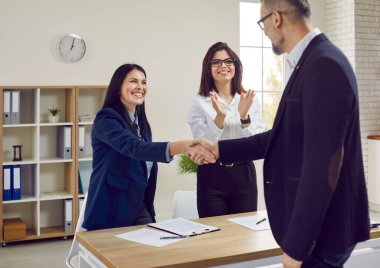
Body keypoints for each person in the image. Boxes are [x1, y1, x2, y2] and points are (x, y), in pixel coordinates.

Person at [193, 1, 370, 267]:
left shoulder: (322, 64)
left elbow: (323, 164)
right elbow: (282, 136)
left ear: (275, 18)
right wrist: (221, 149)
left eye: (262, 22)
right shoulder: (310, 61)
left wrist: (297, 246)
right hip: (320, 232)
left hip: (322, 234)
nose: (264, 30)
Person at [82, 63, 215, 231]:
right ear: (118, 86)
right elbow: (135, 148)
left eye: (144, 82)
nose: (140, 87)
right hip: (111, 210)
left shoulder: (141, 124)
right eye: (133, 81)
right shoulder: (106, 119)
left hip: (139, 206)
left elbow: (145, 158)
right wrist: (184, 146)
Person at [187, 42, 265, 218]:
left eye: (229, 61)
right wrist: (219, 118)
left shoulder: (249, 99)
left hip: (244, 174)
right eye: (216, 62)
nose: (223, 66)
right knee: (214, 234)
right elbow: (202, 144)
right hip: (211, 174)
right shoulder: (199, 102)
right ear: (208, 68)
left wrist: (244, 117)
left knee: (244, 234)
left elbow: (258, 142)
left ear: (236, 66)